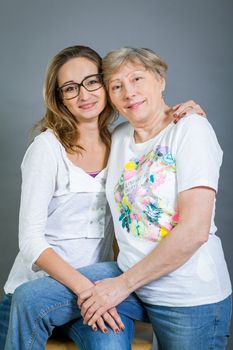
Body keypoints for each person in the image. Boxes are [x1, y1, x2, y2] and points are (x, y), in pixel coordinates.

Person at [0, 45, 205, 350]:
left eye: (92, 82)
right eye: (70, 88)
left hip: (101, 293)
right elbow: (30, 242)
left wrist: (185, 114)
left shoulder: (124, 141)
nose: (84, 95)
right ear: (59, 98)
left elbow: (161, 130)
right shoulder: (47, 148)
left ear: (107, 85)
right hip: (42, 292)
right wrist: (85, 288)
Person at [76, 47, 232, 350]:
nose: (128, 92)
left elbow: (195, 231)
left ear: (160, 80)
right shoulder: (119, 136)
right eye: (116, 86)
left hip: (188, 298)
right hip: (136, 286)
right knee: (37, 297)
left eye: (137, 79)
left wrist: (121, 286)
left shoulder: (190, 129)